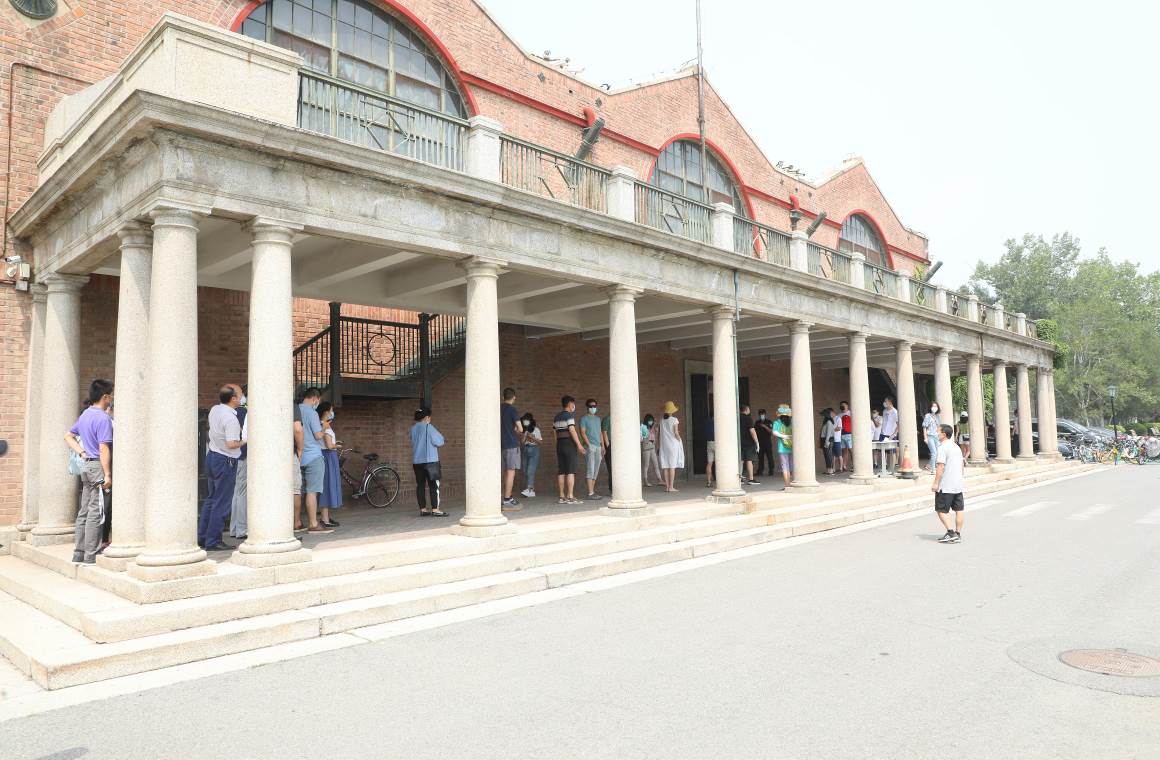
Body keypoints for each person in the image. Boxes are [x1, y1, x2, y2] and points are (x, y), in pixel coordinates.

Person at [65, 379, 114, 564]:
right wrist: (107, 474)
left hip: (86, 465)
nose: (111, 399)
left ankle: (79, 553)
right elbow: (104, 448)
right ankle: (90, 555)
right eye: (111, 395)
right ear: (105, 397)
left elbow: (68, 436)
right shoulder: (103, 418)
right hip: (97, 466)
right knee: (96, 510)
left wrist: (82, 452)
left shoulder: (85, 414)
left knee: (84, 510)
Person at [198, 384, 243, 550]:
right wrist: (245, 440)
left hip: (212, 457)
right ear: (233, 399)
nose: (242, 397)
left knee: (211, 500)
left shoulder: (215, 410)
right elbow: (232, 444)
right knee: (221, 503)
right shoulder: (231, 418)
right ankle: (213, 541)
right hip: (225, 461)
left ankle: (202, 537)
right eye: (240, 394)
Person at [298, 387, 333, 534]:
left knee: (297, 491)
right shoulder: (312, 413)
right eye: (318, 400)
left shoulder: (296, 410)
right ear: (314, 399)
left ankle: (296, 522)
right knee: (312, 491)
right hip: (313, 455)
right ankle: (313, 523)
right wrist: (324, 427)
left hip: (299, 456)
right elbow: (318, 436)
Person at [932, 423, 965, 543]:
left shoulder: (942, 448)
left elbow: (940, 466)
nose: (936, 433)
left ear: (944, 434)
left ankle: (951, 533)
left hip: (946, 485)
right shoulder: (956, 447)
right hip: (957, 484)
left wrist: (936, 483)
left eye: (938, 431)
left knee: (940, 510)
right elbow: (962, 465)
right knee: (959, 509)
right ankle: (958, 533)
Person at [410, 407, 446, 516]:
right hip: (430, 461)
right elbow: (439, 441)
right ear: (426, 417)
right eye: (429, 417)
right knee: (434, 485)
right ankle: (435, 509)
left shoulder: (413, 429)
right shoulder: (429, 427)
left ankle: (423, 509)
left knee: (420, 485)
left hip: (417, 461)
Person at [553, 396, 585, 504]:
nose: (574, 406)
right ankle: (570, 496)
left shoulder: (556, 417)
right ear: (570, 404)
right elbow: (572, 430)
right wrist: (579, 445)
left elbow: (554, 433)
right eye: (573, 404)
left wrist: (557, 444)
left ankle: (562, 496)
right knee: (571, 470)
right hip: (569, 444)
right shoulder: (569, 416)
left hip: (559, 444)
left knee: (561, 471)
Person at [317, 401, 342, 528]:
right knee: (327, 485)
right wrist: (336, 446)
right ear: (326, 412)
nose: (332, 412)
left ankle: (325, 517)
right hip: (328, 456)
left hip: (327, 456)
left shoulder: (323, 424)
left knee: (327, 485)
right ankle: (324, 519)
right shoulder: (325, 425)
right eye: (331, 410)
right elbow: (328, 445)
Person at [229, 383, 249, 541]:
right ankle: (242, 528)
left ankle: (235, 527)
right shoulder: (243, 412)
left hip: (234, 455)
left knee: (237, 492)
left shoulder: (232, 412)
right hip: (244, 455)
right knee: (242, 493)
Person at [500, 388, 522, 511]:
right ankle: (507, 499)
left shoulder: (498, 408)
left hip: (500, 445)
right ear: (514, 397)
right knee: (511, 472)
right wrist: (516, 429)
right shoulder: (512, 410)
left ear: (503, 397)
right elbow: (520, 428)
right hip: (511, 444)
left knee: (505, 472)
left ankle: (507, 496)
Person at [579, 398, 604, 500]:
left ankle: (592, 492)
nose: (593, 408)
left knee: (596, 470)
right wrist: (588, 444)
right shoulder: (584, 419)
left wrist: (602, 446)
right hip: (590, 446)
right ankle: (590, 493)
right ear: (587, 407)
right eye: (591, 406)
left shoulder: (598, 419)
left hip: (598, 446)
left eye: (594, 406)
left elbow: (600, 433)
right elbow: (583, 432)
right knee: (591, 469)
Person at [657, 401, 684, 492]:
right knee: (672, 466)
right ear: (672, 410)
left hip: (664, 445)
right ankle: (671, 487)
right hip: (673, 445)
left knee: (666, 466)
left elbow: (660, 434)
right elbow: (676, 433)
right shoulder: (674, 420)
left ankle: (667, 487)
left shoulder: (661, 420)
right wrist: (679, 439)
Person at [519, 412, 541, 498]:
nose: (526, 422)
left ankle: (530, 490)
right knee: (525, 470)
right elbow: (522, 442)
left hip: (534, 449)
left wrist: (532, 437)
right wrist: (525, 434)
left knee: (530, 471)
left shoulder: (536, 430)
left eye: (527, 420)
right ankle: (530, 489)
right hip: (525, 449)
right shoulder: (524, 430)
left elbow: (540, 442)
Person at [771, 404, 793, 487]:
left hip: (782, 447)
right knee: (792, 465)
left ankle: (787, 485)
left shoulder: (777, 422)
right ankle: (793, 483)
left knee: (785, 466)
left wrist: (783, 436)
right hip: (792, 447)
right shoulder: (792, 422)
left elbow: (774, 432)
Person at [740, 404, 760, 485]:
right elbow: (752, 431)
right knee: (749, 460)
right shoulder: (748, 418)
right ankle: (751, 479)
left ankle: (739, 479)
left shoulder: (737, 418)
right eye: (749, 409)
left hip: (739, 442)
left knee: (740, 460)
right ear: (746, 410)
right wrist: (757, 442)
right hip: (749, 443)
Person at [879, 396, 900, 472]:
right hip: (883, 434)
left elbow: (899, 424)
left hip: (891, 435)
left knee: (892, 452)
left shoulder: (895, 412)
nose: (884, 403)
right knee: (883, 451)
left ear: (890, 402)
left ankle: (892, 469)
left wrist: (894, 434)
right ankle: (884, 469)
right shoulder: (884, 411)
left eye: (886, 401)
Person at [641, 414, 661, 487]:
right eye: (650, 420)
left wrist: (656, 431)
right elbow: (645, 437)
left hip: (652, 447)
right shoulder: (643, 427)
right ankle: (645, 481)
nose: (651, 421)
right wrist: (651, 429)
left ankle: (660, 480)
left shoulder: (652, 428)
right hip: (646, 448)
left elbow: (655, 439)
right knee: (646, 465)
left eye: (652, 420)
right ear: (646, 420)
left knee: (656, 463)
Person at [755, 409, 775, 478]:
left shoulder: (769, 422)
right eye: (760, 414)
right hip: (760, 442)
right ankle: (760, 471)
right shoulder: (757, 422)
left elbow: (771, 431)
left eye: (762, 414)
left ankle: (771, 471)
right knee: (760, 458)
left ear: (765, 414)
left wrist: (764, 426)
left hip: (767, 442)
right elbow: (754, 432)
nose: (761, 415)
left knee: (769, 457)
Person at [922, 402, 942, 471]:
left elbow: (939, 427)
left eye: (936, 406)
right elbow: (924, 427)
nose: (934, 408)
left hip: (937, 436)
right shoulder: (927, 415)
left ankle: (928, 465)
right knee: (934, 453)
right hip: (930, 436)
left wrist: (940, 436)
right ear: (930, 407)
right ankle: (933, 469)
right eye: (933, 406)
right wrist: (925, 438)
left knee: (938, 452)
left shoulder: (938, 416)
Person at [819, 408, 836, 475]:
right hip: (825, 440)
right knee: (826, 455)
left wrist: (827, 442)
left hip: (828, 440)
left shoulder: (829, 422)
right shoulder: (826, 422)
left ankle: (831, 470)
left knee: (829, 455)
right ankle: (828, 470)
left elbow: (828, 433)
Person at [839, 401, 853, 472]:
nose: (842, 406)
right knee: (844, 450)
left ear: (847, 406)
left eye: (843, 405)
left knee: (851, 450)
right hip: (842, 434)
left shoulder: (851, 413)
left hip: (849, 434)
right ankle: (844, 465)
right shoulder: (839, 415)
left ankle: (854, 465)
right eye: (841, 405)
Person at [601, 413, 613, 494]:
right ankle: (612, 489)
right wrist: (608, 446)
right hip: (609, 443)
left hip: (617, 444)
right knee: (611, 467)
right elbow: (604, 432)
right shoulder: (607, 419)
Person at [831, 408, 845, 473]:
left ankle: (841, 468)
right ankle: (833, 468)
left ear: (833, 412)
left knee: (839, 454)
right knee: (833, 455)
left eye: (831, 413)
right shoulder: (831, 419)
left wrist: (832, 430)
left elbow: (839, 428)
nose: (830, 415)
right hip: (832, 439)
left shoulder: (838, 418)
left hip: (837, 439)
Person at [704, 413, 715, 488]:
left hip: (709, 443)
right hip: (717, 442)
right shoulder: (718, 422)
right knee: (720, 463)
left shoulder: (707, 422)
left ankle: (708, 481)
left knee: (709, 463)